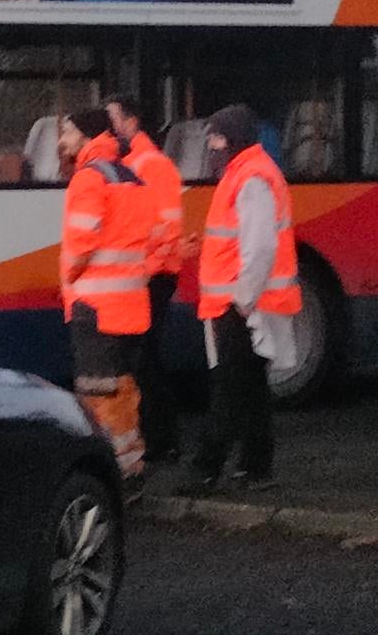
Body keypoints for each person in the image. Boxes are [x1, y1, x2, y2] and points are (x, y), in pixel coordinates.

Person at [181, 104, 300, 495]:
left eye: (216, 136)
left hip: (240, 305)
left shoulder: (249, 178)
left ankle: (205, 470)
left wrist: (244, 299)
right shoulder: (249, 173)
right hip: (242, 302)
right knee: (249, 388)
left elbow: (259, 247)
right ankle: (256, 465)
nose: (212, 144)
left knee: (229, 389)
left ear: (232, 137)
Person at [59, 108, 155, 479]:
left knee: (97, 397)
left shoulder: (88, 180)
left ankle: (109, 475)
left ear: (86, 135)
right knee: (122, 393)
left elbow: (81, 244)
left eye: (68, 132)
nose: (63, 140)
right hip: (129, 308)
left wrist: (68, 277)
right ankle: (131, 465)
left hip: (95, 308)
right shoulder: (131, 177)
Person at [106, 95, 188, 466]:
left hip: (153, 275)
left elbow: (164, 228)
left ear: (132, 122)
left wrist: (141, 267)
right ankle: (156, 437)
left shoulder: (150, 166)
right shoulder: (132, 163)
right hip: (143, 274)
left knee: (145, 361)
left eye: (114, 120)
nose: (111, 128)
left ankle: (163, 440)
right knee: (142, 360)